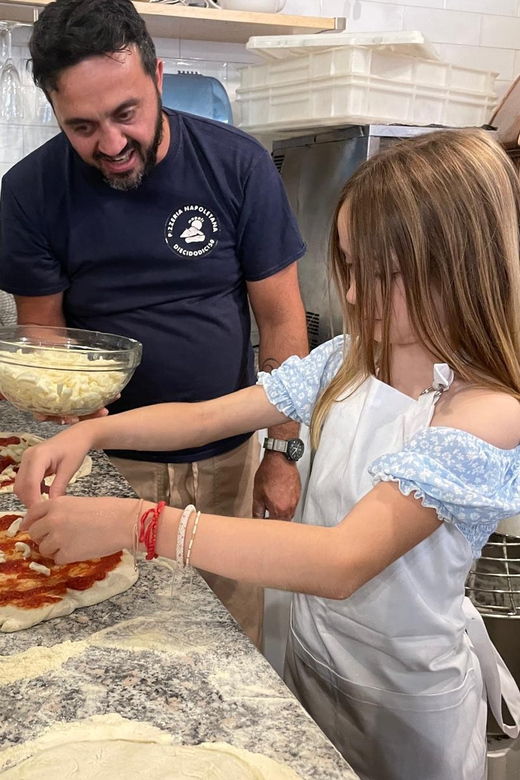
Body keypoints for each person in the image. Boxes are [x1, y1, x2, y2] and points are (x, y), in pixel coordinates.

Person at [15, 129, 520, 780]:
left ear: (462, 267)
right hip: (314, 663)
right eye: (348, 266)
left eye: (382, 274)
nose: (357, 297)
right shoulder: (346, 361)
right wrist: (89, 434)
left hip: (411, 706)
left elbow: (342, 561)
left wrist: (137, 524)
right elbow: (207, 416)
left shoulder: (487, 413)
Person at [0, 0, 309, 646]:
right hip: (109, 466)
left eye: (126, 114)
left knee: (229, 639)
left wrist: (281, 454)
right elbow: (46, 346)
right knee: (121, 639)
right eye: (82, 126)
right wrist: (71, 437)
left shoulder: (239, 167)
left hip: (227, 459)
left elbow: (282, 328)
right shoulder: (30, 192)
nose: (111, 145)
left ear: (159, 77)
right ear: (54, 110)